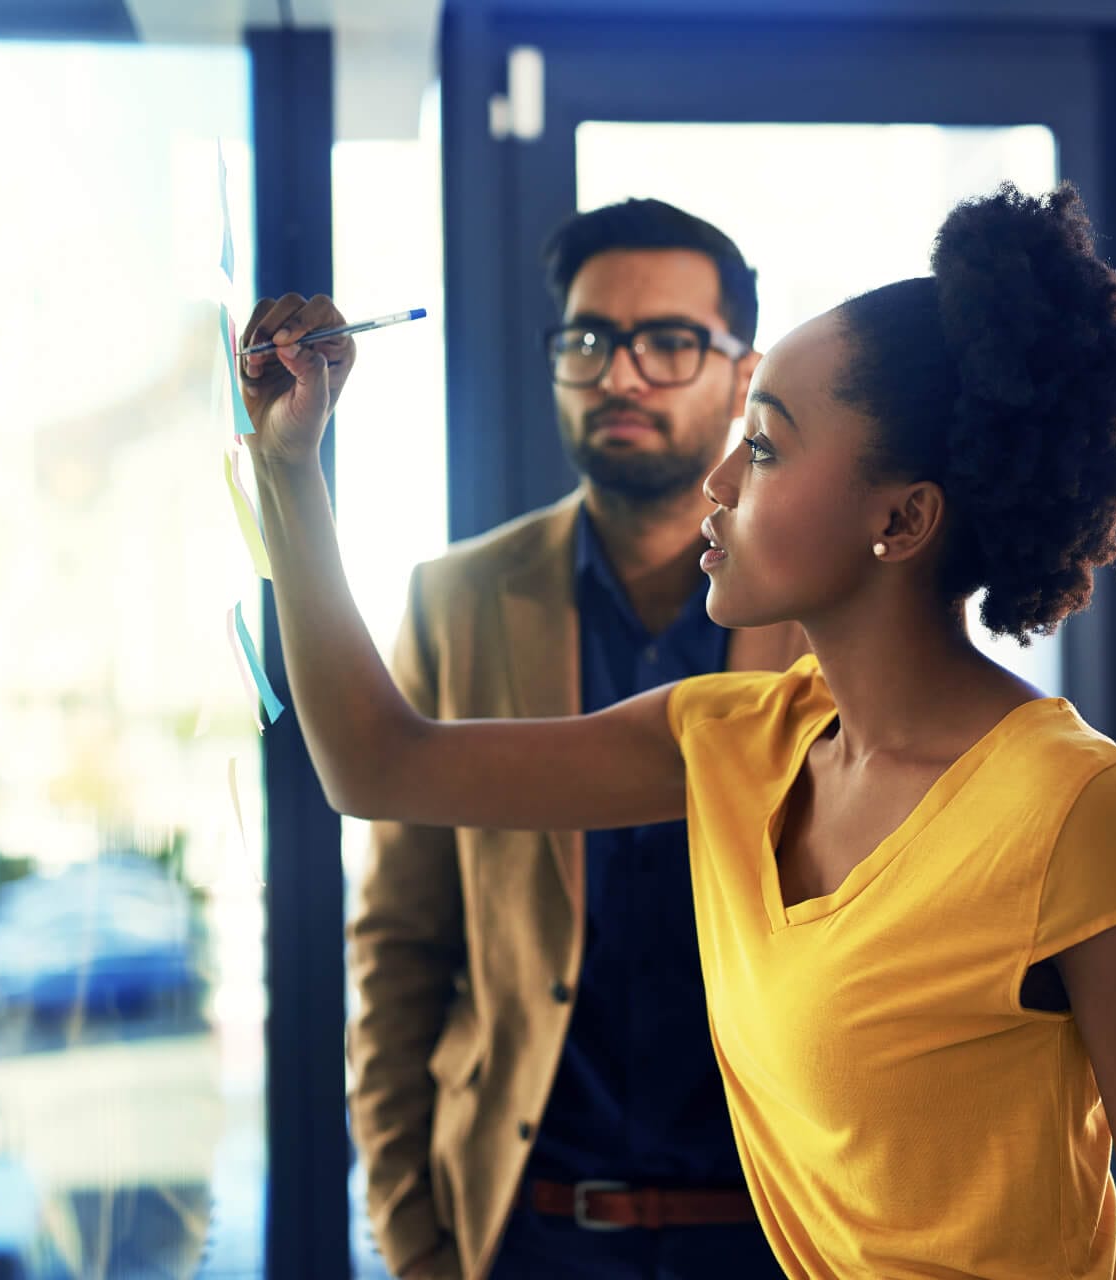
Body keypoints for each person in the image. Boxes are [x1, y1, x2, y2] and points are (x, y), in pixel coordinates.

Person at [242, 184, 1116, 1280]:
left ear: (902, 518)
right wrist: (292, 466)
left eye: (762, 449)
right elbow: (378, 762)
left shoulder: (1074, 810)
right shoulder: (733, 739)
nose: (719, 482)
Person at [346, 199, 802, 1280]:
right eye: (589, 339)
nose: (622, 373)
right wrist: (414, 1234)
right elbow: (399, 939)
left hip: (778, 1230)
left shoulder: (828, 609)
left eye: (670, 342)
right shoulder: (458, 601)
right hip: (527, 1227)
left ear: (743, 379)